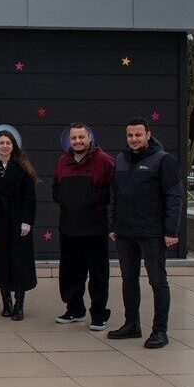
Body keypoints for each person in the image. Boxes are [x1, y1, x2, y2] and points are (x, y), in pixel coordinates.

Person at [107, 118, 184, 349]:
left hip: (152, 233)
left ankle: (160, 330)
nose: (133, 139)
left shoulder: (163, 160)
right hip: (125, 233)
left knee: (157, 281)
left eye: (138, 135)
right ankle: (132, 325)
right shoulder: (120, 160)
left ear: (148, 135)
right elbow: (114, 195)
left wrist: (171, 230)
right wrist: (112, 226)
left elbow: (174, 196)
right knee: (128, 280)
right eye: (130, 135)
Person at [53, 122, 115, 330]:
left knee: (98, 273)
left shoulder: (104, 161)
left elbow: (112, 191)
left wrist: (92, 199)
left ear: (89, 137)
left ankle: (99, 314)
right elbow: (56, 188)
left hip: (94, 229)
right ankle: (74, 310)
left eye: (81, 137)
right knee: (70, 271)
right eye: (74, 138)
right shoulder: (63, 161)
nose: (77, 141)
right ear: (69, 140)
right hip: (68, 227)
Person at [0, 130, 38, 321]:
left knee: (19, 261)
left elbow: (29, 198)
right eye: (1, 143)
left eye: (8, 143)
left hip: (18, 220)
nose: (4, 146)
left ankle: (19, 304)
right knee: (1, 260)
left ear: (13, 146)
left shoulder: (22, 167)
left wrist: (27, 221)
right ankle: (6, 303)